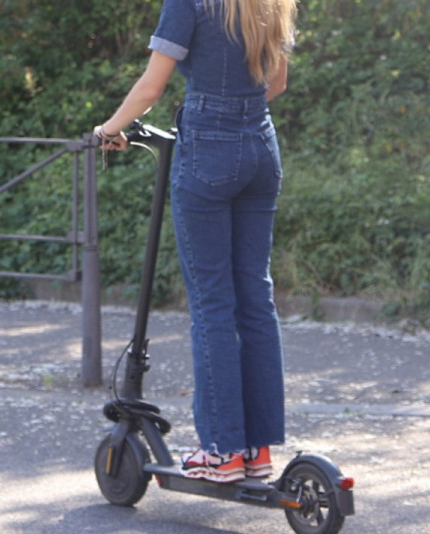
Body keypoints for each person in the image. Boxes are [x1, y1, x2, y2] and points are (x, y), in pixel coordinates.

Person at [94, 0, 298, 483]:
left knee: (212, 303)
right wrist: (240, 114)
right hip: (261, 148)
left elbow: (152, 86)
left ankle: (221, 452)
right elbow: (278, 83)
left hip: (208, 147)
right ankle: (256, 450)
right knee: (256, 299)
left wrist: (109, 129)